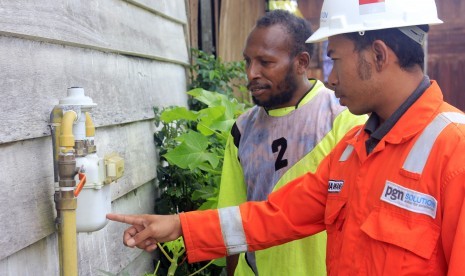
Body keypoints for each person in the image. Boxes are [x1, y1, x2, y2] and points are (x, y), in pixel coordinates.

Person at [107, 0, 465, 274]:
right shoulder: (351, 152)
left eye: (335, 60)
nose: (332, 78)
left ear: (377, 55)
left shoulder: (455, 152)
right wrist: (178, 226)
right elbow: (275, 216)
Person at [216, 10, 366, 276]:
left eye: (265, 62)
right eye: (248, 62)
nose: (251, 73)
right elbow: (231, 221)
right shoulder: (242, 130)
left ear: (301, 62)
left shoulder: (344, 122)